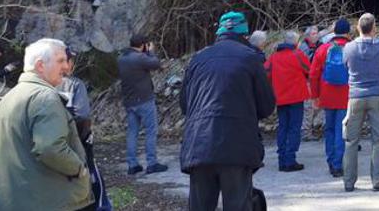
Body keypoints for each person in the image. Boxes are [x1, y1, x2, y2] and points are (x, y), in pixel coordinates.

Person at [180, 11, 276, 211]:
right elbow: (266, 106)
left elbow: (185, 105)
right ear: (245, 35)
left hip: (199, 145)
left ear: (219, 33)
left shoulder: (198, 59)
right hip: (237, 146)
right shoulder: (250, 59)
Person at [0, 38, 91, 211]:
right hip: (45, 202)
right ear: (41, 65)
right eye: (61, 61)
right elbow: (50, 148)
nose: (66, 67)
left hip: (15, 201)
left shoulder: (11, 97)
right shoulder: (45, 98)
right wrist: (79, 168)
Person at [58, 48, 111, 211]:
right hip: (77, 145)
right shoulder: (74, 84)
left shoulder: (40, 86)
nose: (72, 64)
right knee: (94, 184)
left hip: (53, 148)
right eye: (70, 60)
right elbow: (83, 116)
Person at [342, 13, 379, 192]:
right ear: (374, 28)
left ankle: (348, 181)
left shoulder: (349, 47)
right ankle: (377, 179)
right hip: (376, 94)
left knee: (350, 140)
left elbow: (345, 65)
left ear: (358, 28)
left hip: (354, 95)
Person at [117, 34, 166, 175]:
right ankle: (152, 163)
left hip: (129, 101)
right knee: (151, 131)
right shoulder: (139, 58)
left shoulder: (121, 58)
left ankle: (132, 164)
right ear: (143, 45)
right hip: (144, 100)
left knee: (132, 133)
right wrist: (150, 51)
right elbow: (156, 63)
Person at [309, 17, 351, 177]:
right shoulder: (351, 48)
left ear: (334, 31)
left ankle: (331, 160)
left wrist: (315, 96)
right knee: (342, 130)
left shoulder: (323, 49)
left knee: (330, 129)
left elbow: (313, 75)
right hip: (345, 95)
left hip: (327, 95)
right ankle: (337, 164)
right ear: (347, 32)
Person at [265, 30, 311, 172]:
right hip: (296, 97)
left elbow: (265, 73)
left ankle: (282, 159)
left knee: (283, 127)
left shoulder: (273, 57)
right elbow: (309, 71)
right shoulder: (298, 55)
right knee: (294, 128)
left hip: (280, 97)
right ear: (296, 43)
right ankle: (290, 159)